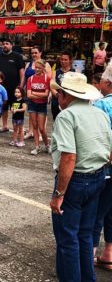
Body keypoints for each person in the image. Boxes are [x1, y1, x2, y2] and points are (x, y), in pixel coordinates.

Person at [50, 71, 112, 282]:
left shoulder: (67, 116)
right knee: (85, 234)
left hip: (76, 181)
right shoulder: (100, 115)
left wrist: (59, 193)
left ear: (66, 95)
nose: (58, 97)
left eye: (59, 93)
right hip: (98, 177)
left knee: (68, 239)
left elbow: (68, 157)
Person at [92, 64, 112, 271]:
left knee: (95, 213)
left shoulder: (101, 105)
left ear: (107, 83)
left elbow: (93, 137)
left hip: (104, 167)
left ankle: (89, 256)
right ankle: (108, 255)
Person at [0, 38, 25, 133]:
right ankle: (5, 126)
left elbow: (21, 72)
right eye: (3, 44)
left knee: (16, 108)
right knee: (4, 107)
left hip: (15, 88)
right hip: (1, 88)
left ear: (11, 45)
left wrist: (21, 86)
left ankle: (18, 127)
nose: (5, 45)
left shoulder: (17, 56)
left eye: (7, 44)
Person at [23, 46, 52, 140]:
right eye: (32, 53)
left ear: (40, 53)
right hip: (30, 92)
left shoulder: (45, 64)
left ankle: (40, 132)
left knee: (41, 113)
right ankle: (31, 131)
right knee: (31, 112)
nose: (34, 55)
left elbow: (49, 78)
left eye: (36, 53)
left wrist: (49, 93)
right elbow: (24, 77)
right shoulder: (28, 64)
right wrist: (21, 87)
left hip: (41, 92)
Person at [26, 60, 51, 155]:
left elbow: (46, 94)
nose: (37, 69)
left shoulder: (46, 78)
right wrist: (40, 94)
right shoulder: (30, 79)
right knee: (35, 126)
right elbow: (28, 95)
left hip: (41, 105)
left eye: (39, 68)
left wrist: (34, 93)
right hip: (32, 104)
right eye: (36, 67)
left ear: (43, 68)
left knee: (41, 128)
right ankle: (37, 146)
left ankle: (47, 145)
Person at [50, 51, 74, 120]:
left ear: (70, 61)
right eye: (62, 59)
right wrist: (58, 95)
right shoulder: (55, 72)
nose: (63, 61)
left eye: (65, 60)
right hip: (57, 99)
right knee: (56, 119)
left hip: (70, 101)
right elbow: (52, 86)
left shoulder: (75, 72)